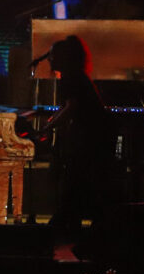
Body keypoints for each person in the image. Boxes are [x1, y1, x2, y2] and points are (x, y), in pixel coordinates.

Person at [41, 35, 116, 238]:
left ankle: (64, 222)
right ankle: (72, 221)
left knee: (78, 176)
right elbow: (69, 106)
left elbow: (72, 107)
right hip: (94, 132)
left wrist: (50, 125)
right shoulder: (75, 75)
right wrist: (52, 122)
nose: (50, 59)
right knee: (81, 177)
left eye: (53, 55)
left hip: (92, 134)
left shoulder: (70, 77)